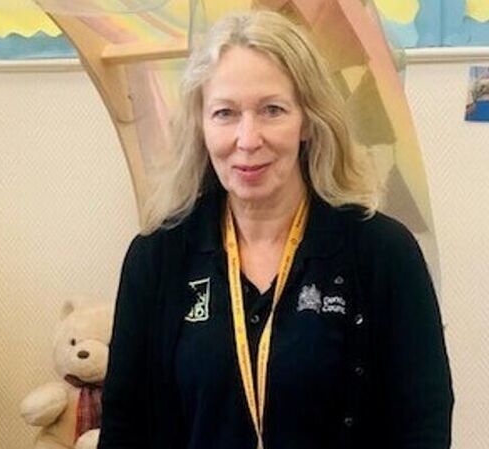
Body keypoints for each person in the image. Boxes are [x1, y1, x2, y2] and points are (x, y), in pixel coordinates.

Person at [98, 10, 453, 449]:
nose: (248, 139)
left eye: (272, 110)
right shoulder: (157, 258)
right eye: (225, 113)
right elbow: (124, 428)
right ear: (201, 125)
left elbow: (423, 424)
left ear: (308, 120)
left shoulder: (383, 253)